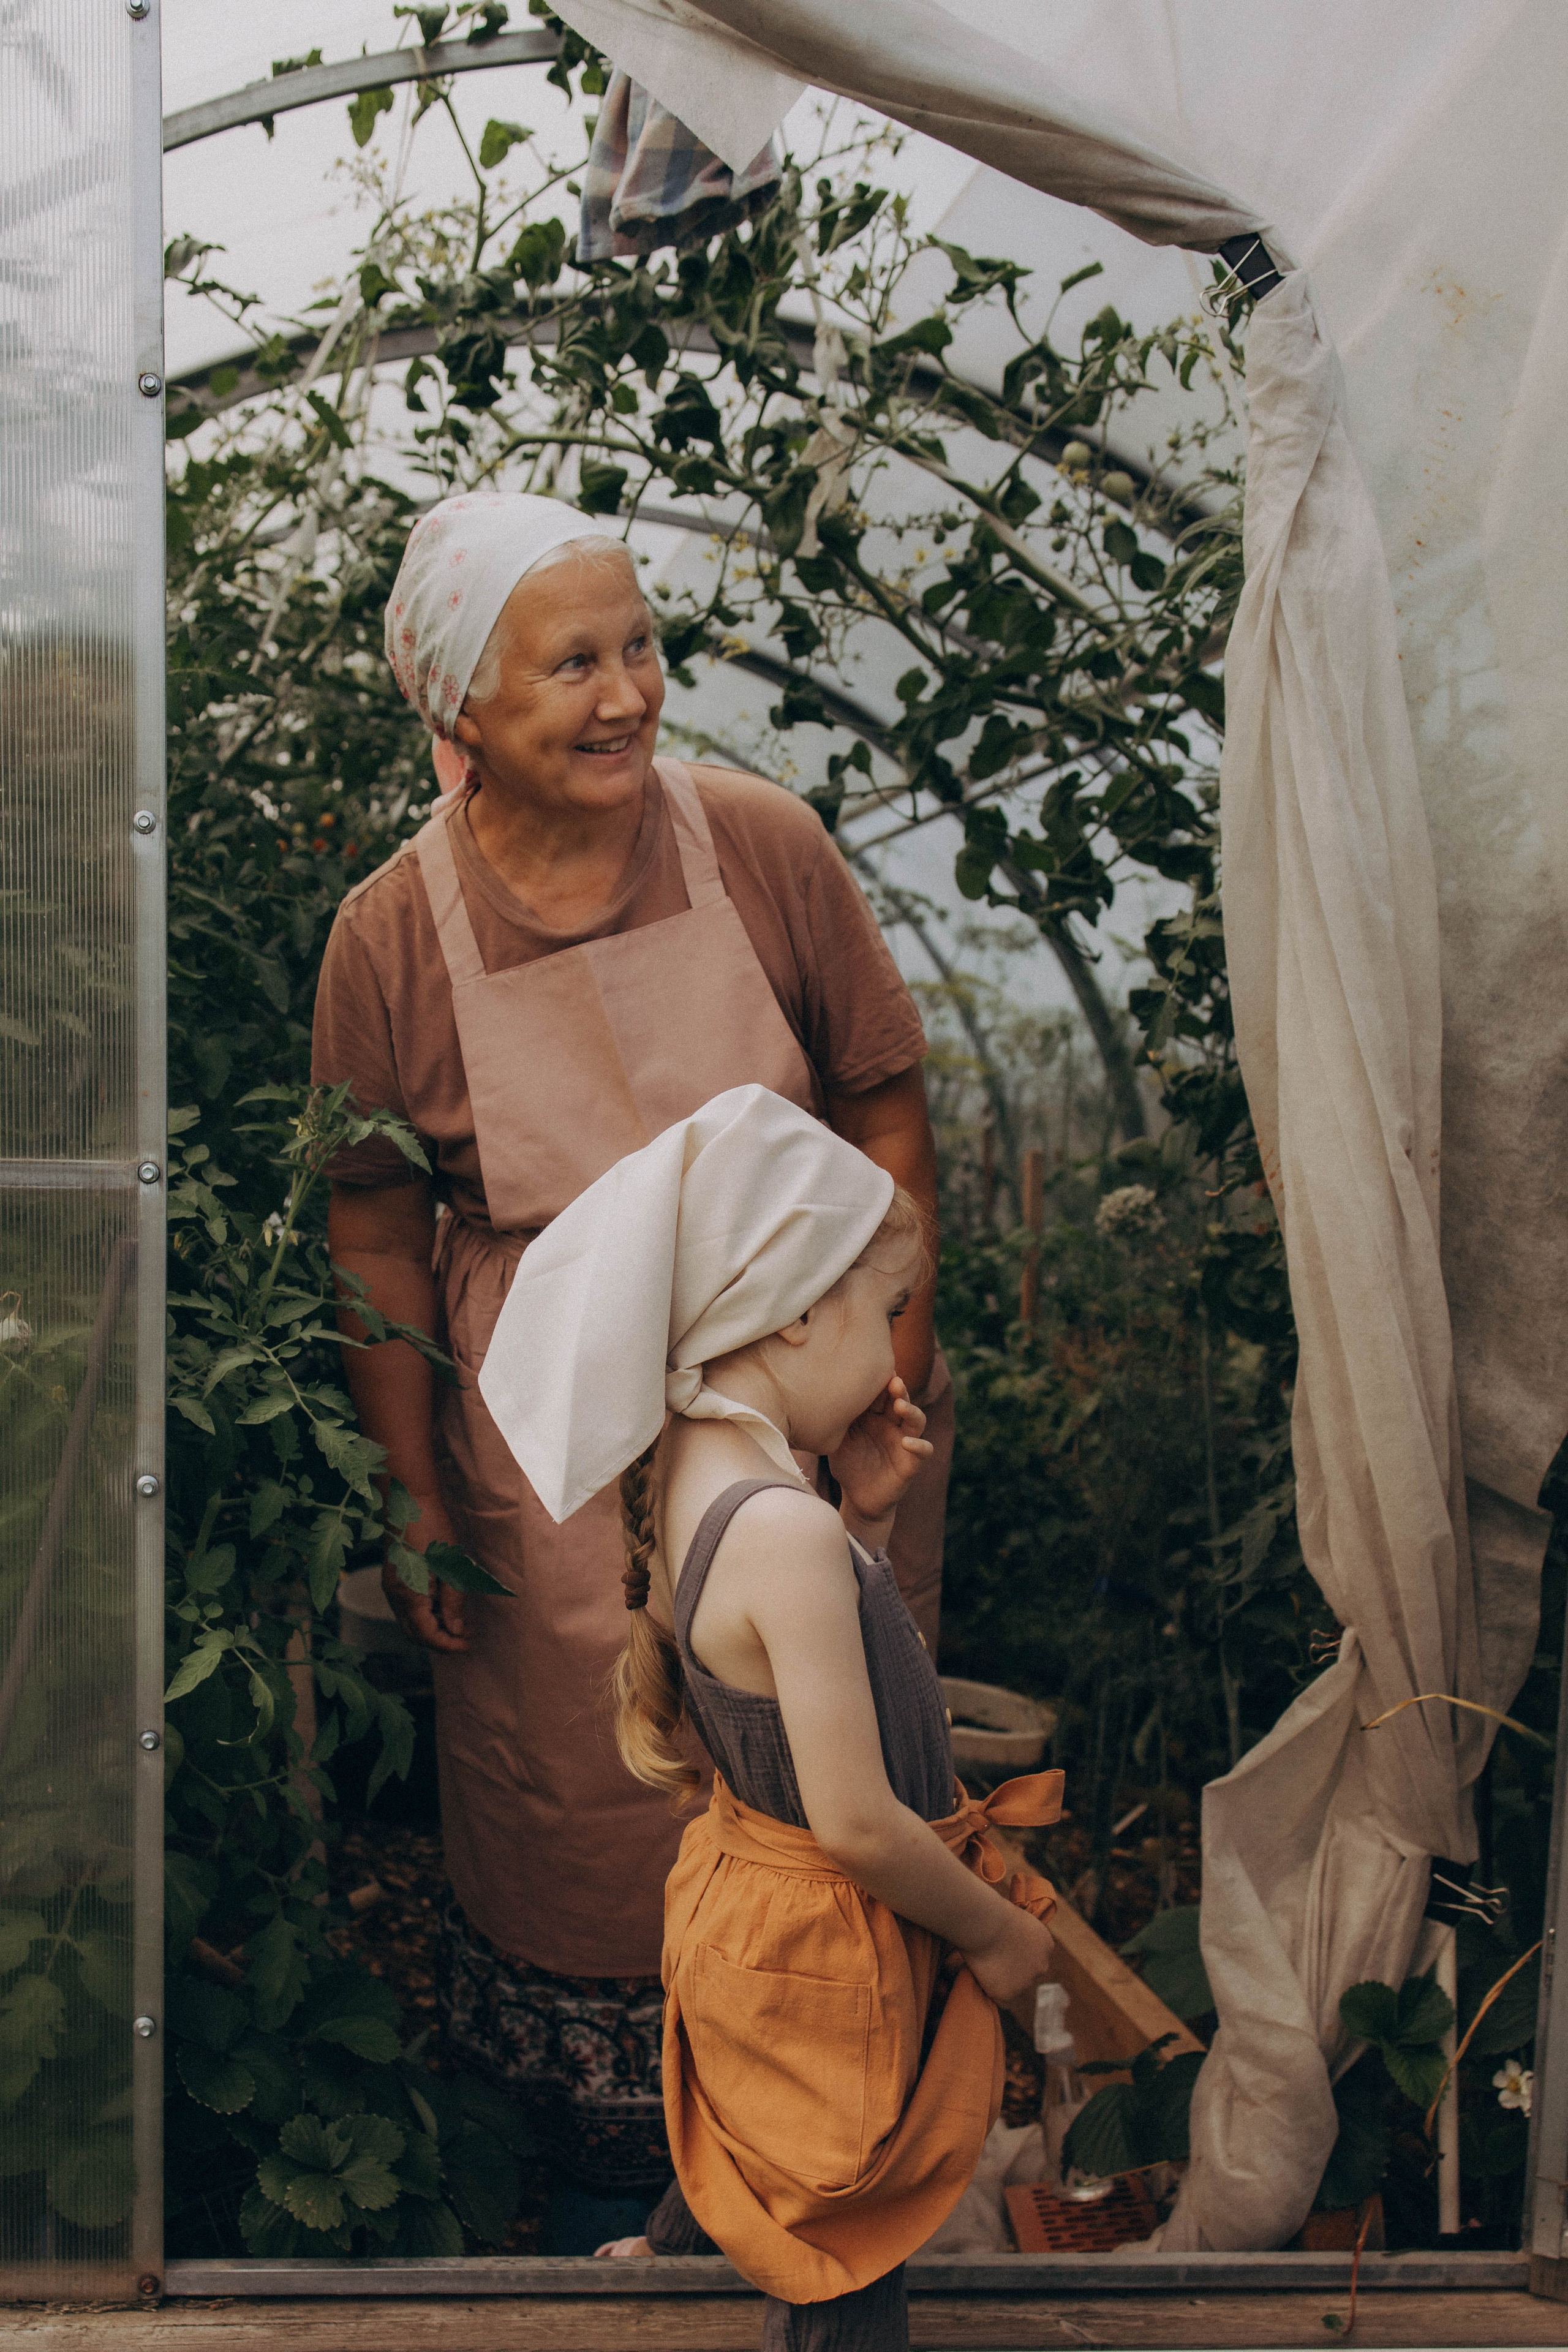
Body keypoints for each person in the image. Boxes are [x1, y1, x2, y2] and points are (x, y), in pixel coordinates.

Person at [312, 492, 954, 2248]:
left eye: (642, 647)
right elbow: (372, 1225)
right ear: (458, 710)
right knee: (588, 1809)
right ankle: (626, 2186)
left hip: (810, 1403)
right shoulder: (390, 937)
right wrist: (419, 1497)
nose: (630, 696)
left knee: (826, 1788)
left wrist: (883, 1372)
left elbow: (882, 1104)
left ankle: (834, 2159)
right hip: (553, 1456)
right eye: (573, 664)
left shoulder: (759, 847)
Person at [478, 1085, 1061, 2351]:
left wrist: (867, 1520)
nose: (894, 1353)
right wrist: (994, 1935)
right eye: (883, 1311)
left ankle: (676, 2242)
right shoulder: (780, 1529)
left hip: (769, 1922)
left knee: (772, 2124)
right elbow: (853, 1817)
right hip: (841, 1941)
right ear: (793, 1309)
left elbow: (792, 1693)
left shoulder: (715, 1480)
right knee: (841, 2244)